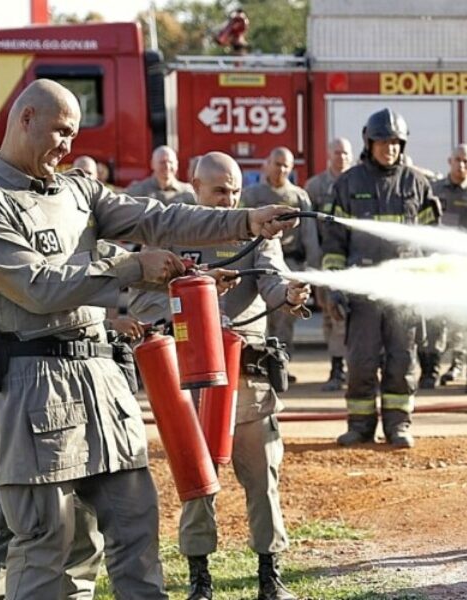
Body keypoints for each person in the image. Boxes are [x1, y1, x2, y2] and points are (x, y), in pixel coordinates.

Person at [0, 79, 298, 599]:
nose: (69, 145)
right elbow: (36, 286)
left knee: (136, 529)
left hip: (103, 384)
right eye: (61, 131)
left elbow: (158, 217)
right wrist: (132, 266)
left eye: (73, 134)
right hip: (34, 386)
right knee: (49, 543)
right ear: (24, 119)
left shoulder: (78, 190)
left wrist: (244, 221)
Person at [128, 152, 309, 600]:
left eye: (234, 191)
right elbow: (142, 301)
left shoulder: (256, 231)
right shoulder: (168, 231)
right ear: (194, 187)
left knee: (262, 477)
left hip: (248, 375)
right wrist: (197, 288)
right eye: (219, 191)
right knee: (197, 478)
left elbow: (271, 278)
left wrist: (288, 293)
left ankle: (271, 577)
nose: (229, 200)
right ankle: (200, 579)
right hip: (192, 379)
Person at [0, 241, 107, 600]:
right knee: (3, 528)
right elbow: (33, 301)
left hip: (54, 402)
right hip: (4, 406)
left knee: (78, 521)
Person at [321, 108, 440, 448]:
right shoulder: (348, 183)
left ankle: (398, 425)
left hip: (405, 292)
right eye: (382, 142)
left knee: (402, 361)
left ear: (402, 145)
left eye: (394, 142)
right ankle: (360, 425)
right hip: (364, 292)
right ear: (368, 142)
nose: (389, 148)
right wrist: (336, 286)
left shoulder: (416, 183)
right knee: (361, 362)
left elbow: (432, 240)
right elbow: (334, 242)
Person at [242, 147, 320, 371]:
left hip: (290, 263)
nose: (281, 169)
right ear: (266, 164)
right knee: (256, 315)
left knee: (286, 318)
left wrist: (312, 270)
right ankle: (257, 365)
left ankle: (280, 366)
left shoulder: (298, 197)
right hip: (255, 264)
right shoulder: (251, 195)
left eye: (286, 165)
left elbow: (309, 235)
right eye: (277, 164)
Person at [422, 144, 467, 389]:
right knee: (435, 322)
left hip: (464, 270)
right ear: (450, 161)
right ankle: (430, 371)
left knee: (465, 323)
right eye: (457, 160)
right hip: (438, 267)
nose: (461, 165)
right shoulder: (435, 190)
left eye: (466, 161)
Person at [305, 138, 353, 391]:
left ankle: (345, 368)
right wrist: (314, 262)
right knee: (328, 316)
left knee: (346, 317)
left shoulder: (358, 182)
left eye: (346, 153)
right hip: (325, 260)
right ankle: (337, 367)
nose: (341, 157)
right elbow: (309, 229)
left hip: (353, 260)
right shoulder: (314, 186)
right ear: (328, 155)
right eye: (337, 152)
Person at [125, 145, 195, 204]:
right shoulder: (137, 192)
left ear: (177, 164)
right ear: (152, 164)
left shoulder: (188, 192)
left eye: (170, 162)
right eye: (162, 162)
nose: (167, 166)